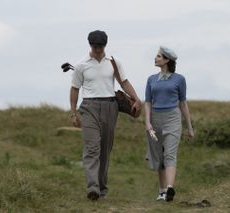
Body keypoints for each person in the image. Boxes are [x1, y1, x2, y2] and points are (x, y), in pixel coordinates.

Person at [69, 30, 141, 201]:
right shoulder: (81, 65)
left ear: (105, 45)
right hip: (89, 107)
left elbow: (124, 82)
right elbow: (74, 89)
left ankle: (102, 188)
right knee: (92, 147)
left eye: (100, 47)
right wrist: (73, 113)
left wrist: (137, 99)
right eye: (95, 47)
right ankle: (92, 188)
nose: (98, 50)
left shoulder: (114, 62)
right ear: (90, 45)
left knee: (104, 150)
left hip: (110, 106)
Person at [144, 46, 194, 202]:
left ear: (166, 60)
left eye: (158, 56)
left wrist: (190, 128)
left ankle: (170, 188)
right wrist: (147, 123)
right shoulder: (151, 79)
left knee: (169, 155)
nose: (155, 58)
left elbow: (183, 104)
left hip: (172, 118)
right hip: (155, 118)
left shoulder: (179, 79)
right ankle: (162, 190)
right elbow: (147, 102)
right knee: (158, 156)